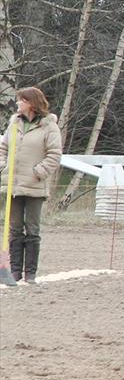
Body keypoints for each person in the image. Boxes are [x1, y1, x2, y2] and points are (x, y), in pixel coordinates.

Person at [0, 87, 63, 284]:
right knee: (14, 229)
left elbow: (54, 155)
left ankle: (31, 274)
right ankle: (15, 272)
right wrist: (3, 167)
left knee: (32, 229)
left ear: (32, 103)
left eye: (21, 100)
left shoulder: (49, 127)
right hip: (13, 185)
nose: (18, 103)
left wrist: (38, 172)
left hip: (35, 185)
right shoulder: (14, 124)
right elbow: (3, 148)